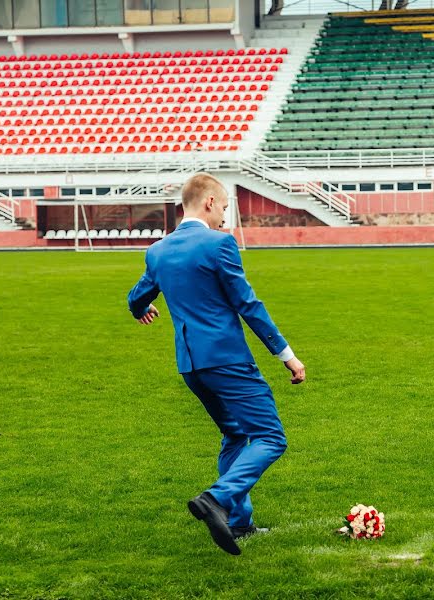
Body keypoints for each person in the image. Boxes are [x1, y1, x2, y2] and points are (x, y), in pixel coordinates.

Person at [127, 173, 306, 555]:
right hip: (228, 362)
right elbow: (248, 306)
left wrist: (142, 309)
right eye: (224, 207)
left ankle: (240, 523)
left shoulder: (157, 251)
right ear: (208, 202)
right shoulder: (219, 244)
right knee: (271, 437)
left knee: (236, 436)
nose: (225, 217)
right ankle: (216, 498)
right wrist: (287, 356)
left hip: (191, 367)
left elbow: (136, 297)